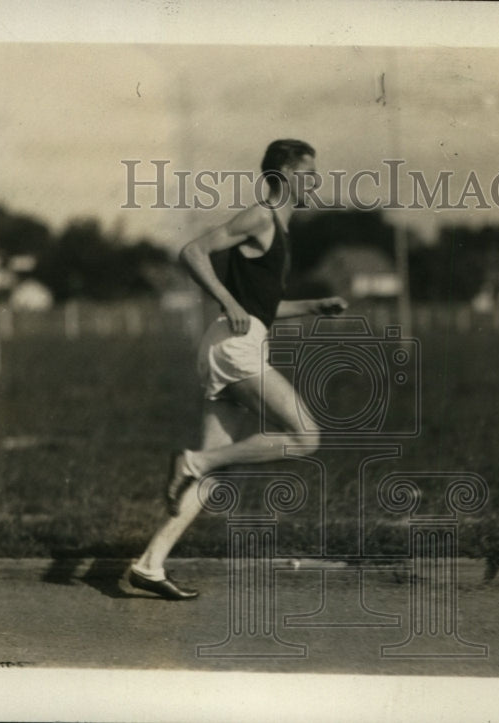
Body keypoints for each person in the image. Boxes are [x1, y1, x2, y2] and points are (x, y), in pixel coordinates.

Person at [126, 139, 347, 600]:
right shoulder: (261, 216)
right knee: (307, 437)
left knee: (213, 480)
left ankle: (149, 564)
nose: (316, 182)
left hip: (236, 343)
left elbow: (261, 308)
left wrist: (312, 306)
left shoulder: (279, 229)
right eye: (309, 174)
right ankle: (193, 461)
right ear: (286, 176)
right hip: (234, 348)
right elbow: (192, 252)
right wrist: (226, 300)